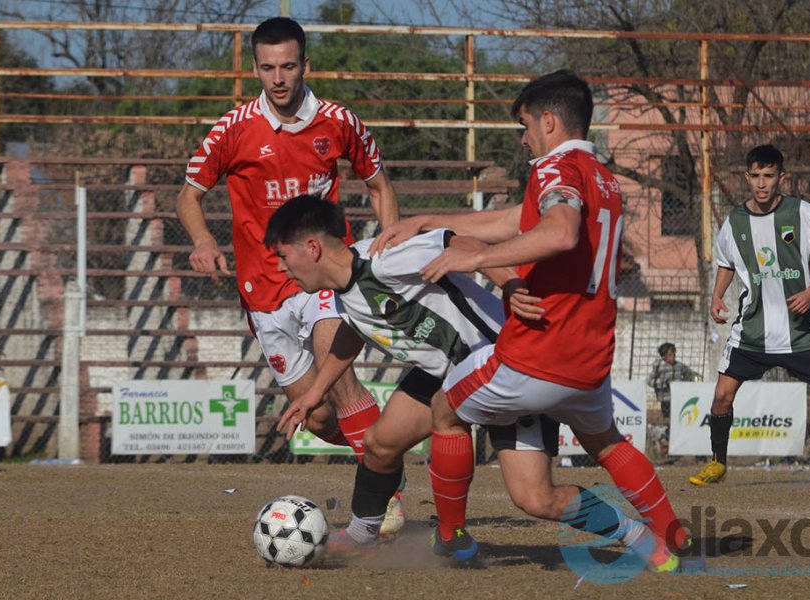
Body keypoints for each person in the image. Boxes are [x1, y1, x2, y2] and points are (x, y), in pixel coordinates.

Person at [371, 70, 691, 562]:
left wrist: (473, 259)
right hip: (590, 359)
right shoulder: (604, 180)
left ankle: (452, 537)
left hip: (536, 352)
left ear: (548, 121)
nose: (524, 140)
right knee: (589, 453)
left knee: (444, 412)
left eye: (525, 126)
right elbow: (514, 222)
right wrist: (430, 221)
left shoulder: (555, 169)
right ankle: (666, 537)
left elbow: (559, 232)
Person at [264, 196, 677, 570]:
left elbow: (462, 244)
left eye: (283, 256)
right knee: (380, 443)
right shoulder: (341, 292)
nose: (281, 268)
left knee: (536, 499)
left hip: (502, 365)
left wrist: (511, 285)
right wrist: (315, 393)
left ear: (312, 248)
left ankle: (635, 535)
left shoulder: (384, 260)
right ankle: (364, 536)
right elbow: (352, 333)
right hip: (442, 374)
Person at [175, 18, 402, 530]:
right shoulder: (232, 129)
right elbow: (188, 196)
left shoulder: (338, 121)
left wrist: (385, 253)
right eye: (268, 68)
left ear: (306, 65)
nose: (279, 79)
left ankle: (381, 501)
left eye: (289, 66)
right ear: (254, 68)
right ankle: (384, 457)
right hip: (262, 293)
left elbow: (380, 186)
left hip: (322, 280)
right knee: (317, 417)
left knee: (339, 383)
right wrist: (204, 240)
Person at [688, 144, 810, 488]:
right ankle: (718, 463)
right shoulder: (735, 221)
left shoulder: (800, 212)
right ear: (747, 177)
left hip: (801, 330)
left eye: (768, 176)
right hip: (752, 329)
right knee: (721, 395)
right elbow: (725, 261)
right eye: (755, 176)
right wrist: (717, 295)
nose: (761, 184)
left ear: (782, 177)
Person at [646, 342, 699, 422]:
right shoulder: (658, 367)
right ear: (664, 356)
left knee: (679, 417)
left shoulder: (680, 366)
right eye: (669, 355)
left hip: (678, 397)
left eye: (673, 354)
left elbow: (691, 375)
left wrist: (697, 380)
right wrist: (664, 383)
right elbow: (650, 381)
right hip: (665, 398)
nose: (673, 357)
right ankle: (668, 431)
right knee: (668, 419)